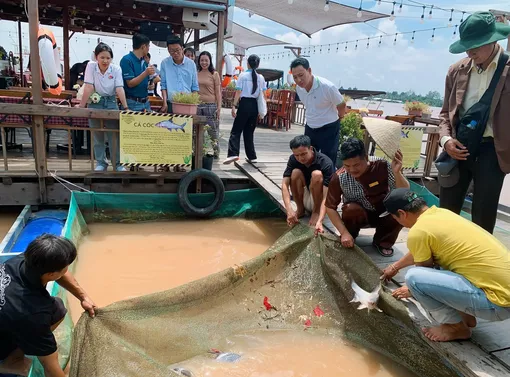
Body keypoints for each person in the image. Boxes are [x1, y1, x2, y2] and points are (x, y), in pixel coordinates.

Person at [380, 188, 510, 342]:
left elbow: (423, 270)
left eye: (395, 218)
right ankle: (466, 317)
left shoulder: (418, 231)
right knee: (442, 262)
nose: (398, 222)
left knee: (414, 278)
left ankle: (455, 328)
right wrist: (395, 267)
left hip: (497, 304)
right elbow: (421, 249)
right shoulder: (442, 214)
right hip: (503, 292)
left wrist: (412, 289)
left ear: (402, 213)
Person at [438, 12, 510, 234]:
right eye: (466, 46)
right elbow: (444, 115)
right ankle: (441, 261)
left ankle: (478, 265)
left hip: (492, 150)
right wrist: (446, 140)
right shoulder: (456, 70)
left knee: (483, 215)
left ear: (493, 39)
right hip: (458, 146)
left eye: (476, 45)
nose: (470, 51)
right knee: (446, 212)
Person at [0, 234, 96, 377]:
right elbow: (50, 369)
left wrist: (83, 297)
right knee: (53, 312)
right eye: (66, 267)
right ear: (51, 274)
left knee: (57, 307)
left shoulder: (24, 260)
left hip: (8, 316)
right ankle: (11, 361)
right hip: (12, 326)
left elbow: (60, 273)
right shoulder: (34, 314)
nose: (67, 269)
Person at [324, 138, 408, 257]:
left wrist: (397, 173)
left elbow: (404, 191)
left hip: (384, 212)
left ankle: (383, 242)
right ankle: (350, 236)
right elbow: (330, 207)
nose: (352, 169)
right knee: (350, 209)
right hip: (358, 215)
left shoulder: (382, 165)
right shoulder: (339, 177)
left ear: (366, 158)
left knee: (401, 207)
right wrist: (343, 232)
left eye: (357, 164)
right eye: (347, 166)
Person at [79, 43, 129, 172]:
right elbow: (89, 87)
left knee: (114, 135)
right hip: (96, 101)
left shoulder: (116, 69)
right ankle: (101, 162)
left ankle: (117, 164)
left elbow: (119, 88)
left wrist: (125, 107)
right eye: (102, 57)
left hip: (111, 102)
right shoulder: (90, 66)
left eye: (108, 58)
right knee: (97, 134)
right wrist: (81, 106)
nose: (105, 61)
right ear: (96, 57)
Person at [290, 58, 346, 165]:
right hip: (310, 126)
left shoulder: (327, 87)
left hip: (329, 127)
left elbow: (341, 104)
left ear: (309, 71)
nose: (298, 80)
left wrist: (340, 117)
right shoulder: (299, 88)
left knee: (328, 159)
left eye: (301, 75)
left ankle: (328, 181)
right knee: (308, 157)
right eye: (295, 77)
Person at [282, 135, 335, 228]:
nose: (300, 158)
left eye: (303, 154)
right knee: (295, 172)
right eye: (296, 155)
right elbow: (284, 184)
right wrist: (289, 210)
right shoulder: (293, 160)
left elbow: (327, 195)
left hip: (320, 200)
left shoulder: (325, 162)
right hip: (305, 195)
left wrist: (320, 219)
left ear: (310, 149)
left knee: (317, 175)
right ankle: (300, 209)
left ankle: (316, 212)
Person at [224, 54, 266, 165]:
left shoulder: (242, 76)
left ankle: (233, 154)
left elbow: (238, 91)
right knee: (249, 132)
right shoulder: (261, 78)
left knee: (236, 130)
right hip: (255, 106)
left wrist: (233, 105)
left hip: (244, 104)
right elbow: (263, 94)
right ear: (258, 64)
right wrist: (263, 110)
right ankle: (252, 156)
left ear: (247, 63)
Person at [160, 36, 199, 114]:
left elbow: (195, 86)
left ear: (182, 48)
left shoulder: (191, 64)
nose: (175, 53)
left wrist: (194, 103)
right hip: (171, 103)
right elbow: (163, 85)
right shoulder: (165, 63)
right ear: (168, 50)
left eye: (177, 50)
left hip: (187, 104)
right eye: (172, 51)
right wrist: (164, 103)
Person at [120, 33, 155, 112]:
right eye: (148, 46)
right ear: (143, 47)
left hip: (146, 102)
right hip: (132, 103)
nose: (149, 49)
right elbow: (130, 83)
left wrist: (150, 84)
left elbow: (146, 79)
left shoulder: (144, 60)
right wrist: (145, 73)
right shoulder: (126, 60)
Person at [197, 51, 222, 158]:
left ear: (210, 61)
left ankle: (216, 151)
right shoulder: (196, 72)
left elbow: (218, 92)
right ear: (199, 61)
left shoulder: (214, 74)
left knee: (212, 131)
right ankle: (199, 152)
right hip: (198, 105)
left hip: (210, 106)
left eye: (206, 60)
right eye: (202, 60)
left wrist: (219, 107)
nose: (204, 62)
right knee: (197, 130)